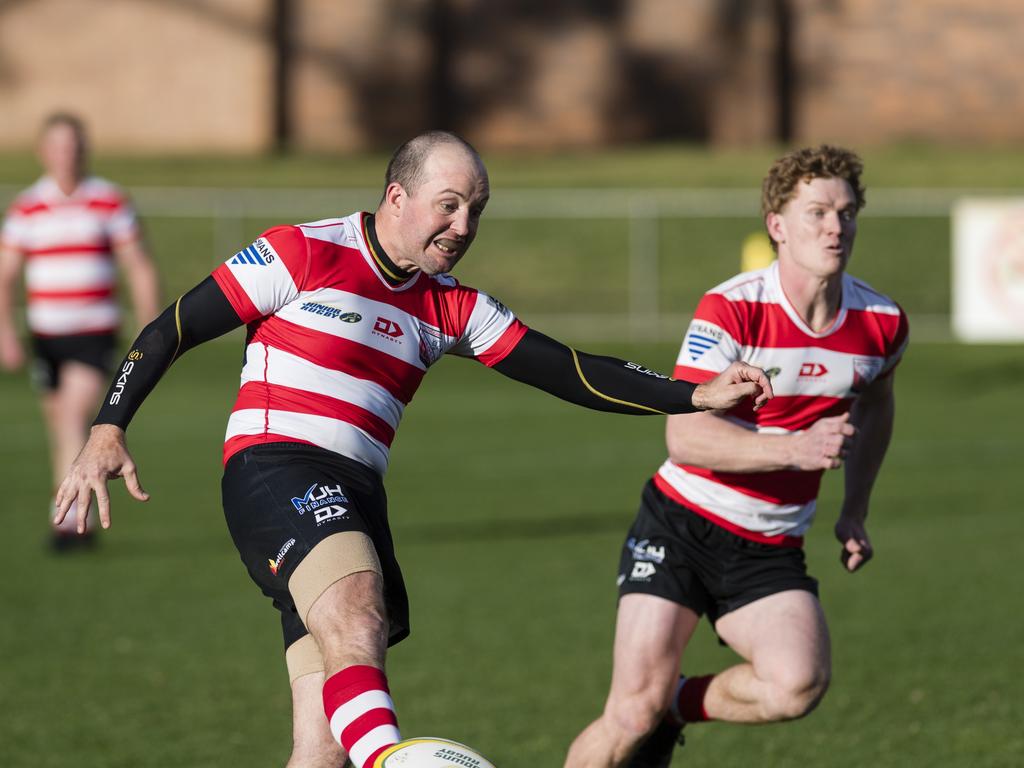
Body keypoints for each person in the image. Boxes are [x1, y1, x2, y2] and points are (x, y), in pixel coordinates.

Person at [54, 131, 772, 768]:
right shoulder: (301, 251)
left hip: (359, 493)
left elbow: (571, 370)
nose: (464, 226)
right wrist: (109, 425)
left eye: (476, 211)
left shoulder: (450, 306)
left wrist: (694, 394)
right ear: (398, 196)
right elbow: (171, 327)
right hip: (276, 467)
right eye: (450, 204)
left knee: (322, 743)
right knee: (358, 609)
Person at [564, 145, 909, 768]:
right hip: (680, 524)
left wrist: (854, 509)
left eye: (847, 212)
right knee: (628, 710)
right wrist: (795, 448)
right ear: (778, 225)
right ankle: (653, 708)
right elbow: (685, 437)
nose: (836, 226)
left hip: (772, 545)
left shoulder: (881, 323)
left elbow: (877, 406)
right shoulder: (733, 307)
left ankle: (679, 705)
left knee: (796, 684)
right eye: (818, 212)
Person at [0, 112, 160, 548]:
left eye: (73, 146)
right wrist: (6, 333)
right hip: (47, 336)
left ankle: (69, 520)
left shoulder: (108, 201)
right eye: (58, 146)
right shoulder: (28, 207)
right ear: (43, 151)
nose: (66, 155)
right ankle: (72, 511)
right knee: (60, 426)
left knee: (74, 415)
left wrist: (151, 329)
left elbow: (137, 265)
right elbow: (6, 274)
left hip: (94, 332)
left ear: (83, 151)